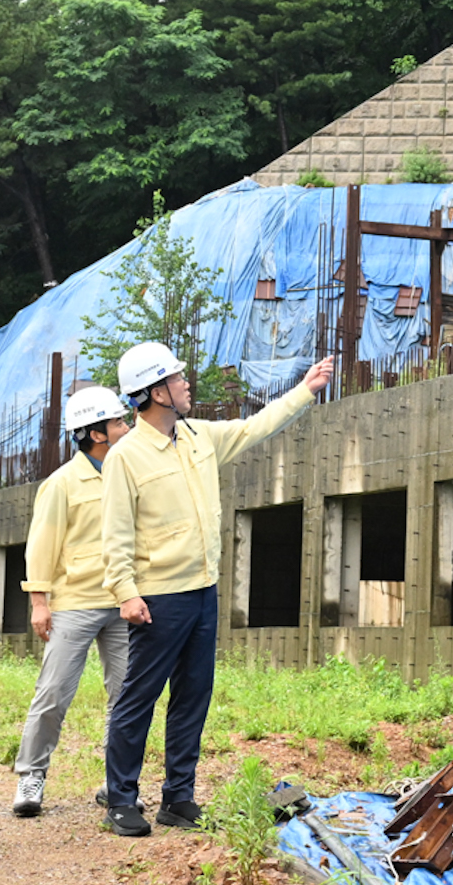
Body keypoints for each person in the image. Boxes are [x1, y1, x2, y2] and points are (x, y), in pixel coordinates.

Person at [100, 343, 334, 837]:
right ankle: (121, 799)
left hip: (204, 592)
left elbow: (255, 427)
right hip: (158, 598)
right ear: (155, 392)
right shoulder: (125, 457)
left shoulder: (198, 437)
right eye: (178, 379)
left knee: (193, 697)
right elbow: (115, 532)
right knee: (138, 699)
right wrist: (125, 591)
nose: (188, 384)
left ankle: (177, 798)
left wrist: (305, 390)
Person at [9, 386, 133, 818]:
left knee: (127, 696)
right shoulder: (61, 483)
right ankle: (31, 775)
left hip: (122, 602)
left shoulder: (128, 472)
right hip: (74, 603)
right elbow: (41, 546)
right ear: (96, 433)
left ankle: (117, 781)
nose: (126, 426)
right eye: (118, 422)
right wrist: (39, 603)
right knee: (54, 693)